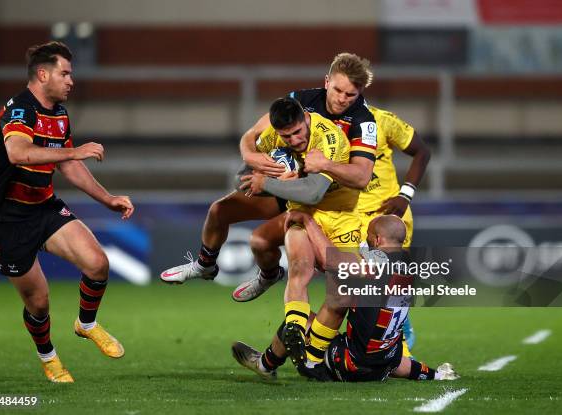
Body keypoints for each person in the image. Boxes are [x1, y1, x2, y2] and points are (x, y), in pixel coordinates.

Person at [0, 41, 134, 383]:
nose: (71, 81)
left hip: (45, 208)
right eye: (64, 73)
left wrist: (107, 199)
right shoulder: (20, 110)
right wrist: (76, 151)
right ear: (42, 73)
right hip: (7, 220)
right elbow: (19, 153)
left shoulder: (58, 113)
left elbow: (69, 166)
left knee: (97, 264)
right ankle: (48, 357)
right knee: (39, 302)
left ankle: (87, 324)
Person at [160, 52, 376, 287]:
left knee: (341, 282)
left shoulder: (363, 122)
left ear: (361, 92)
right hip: (292, 186)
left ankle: (306, 310)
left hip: (334, 201)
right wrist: (250, 155)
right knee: (220, 212)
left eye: (350, 95)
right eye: (337, 90)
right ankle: (207, 265)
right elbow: (253, 134)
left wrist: (326, 165)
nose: (342, 99)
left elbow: (362, 176)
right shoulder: (300, 100)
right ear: (326, 82)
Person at [231, 212, 458, 382]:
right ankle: (437, 375)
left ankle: (267, 364)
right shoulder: (409, 265)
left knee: (297, 320)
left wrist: (309, 222)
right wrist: (434, 374)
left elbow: (334, 263)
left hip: (350, 364)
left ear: (377, 240)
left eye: (368, 236)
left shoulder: (379, 264)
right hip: (384, 363)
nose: (366, 241)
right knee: (379, 339)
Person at [238, 97, 361, 353]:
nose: (294, 141)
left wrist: (274, 185)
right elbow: (246, 180)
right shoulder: (273, 136)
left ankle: (310, 352)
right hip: (300, 215)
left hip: (339, 218)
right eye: (286, 137)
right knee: (298, 270)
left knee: (343, 296)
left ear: (305, 118)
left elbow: (314, 192)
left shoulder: (328, 137)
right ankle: (294, 332)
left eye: (297, 132)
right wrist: (269, 175)